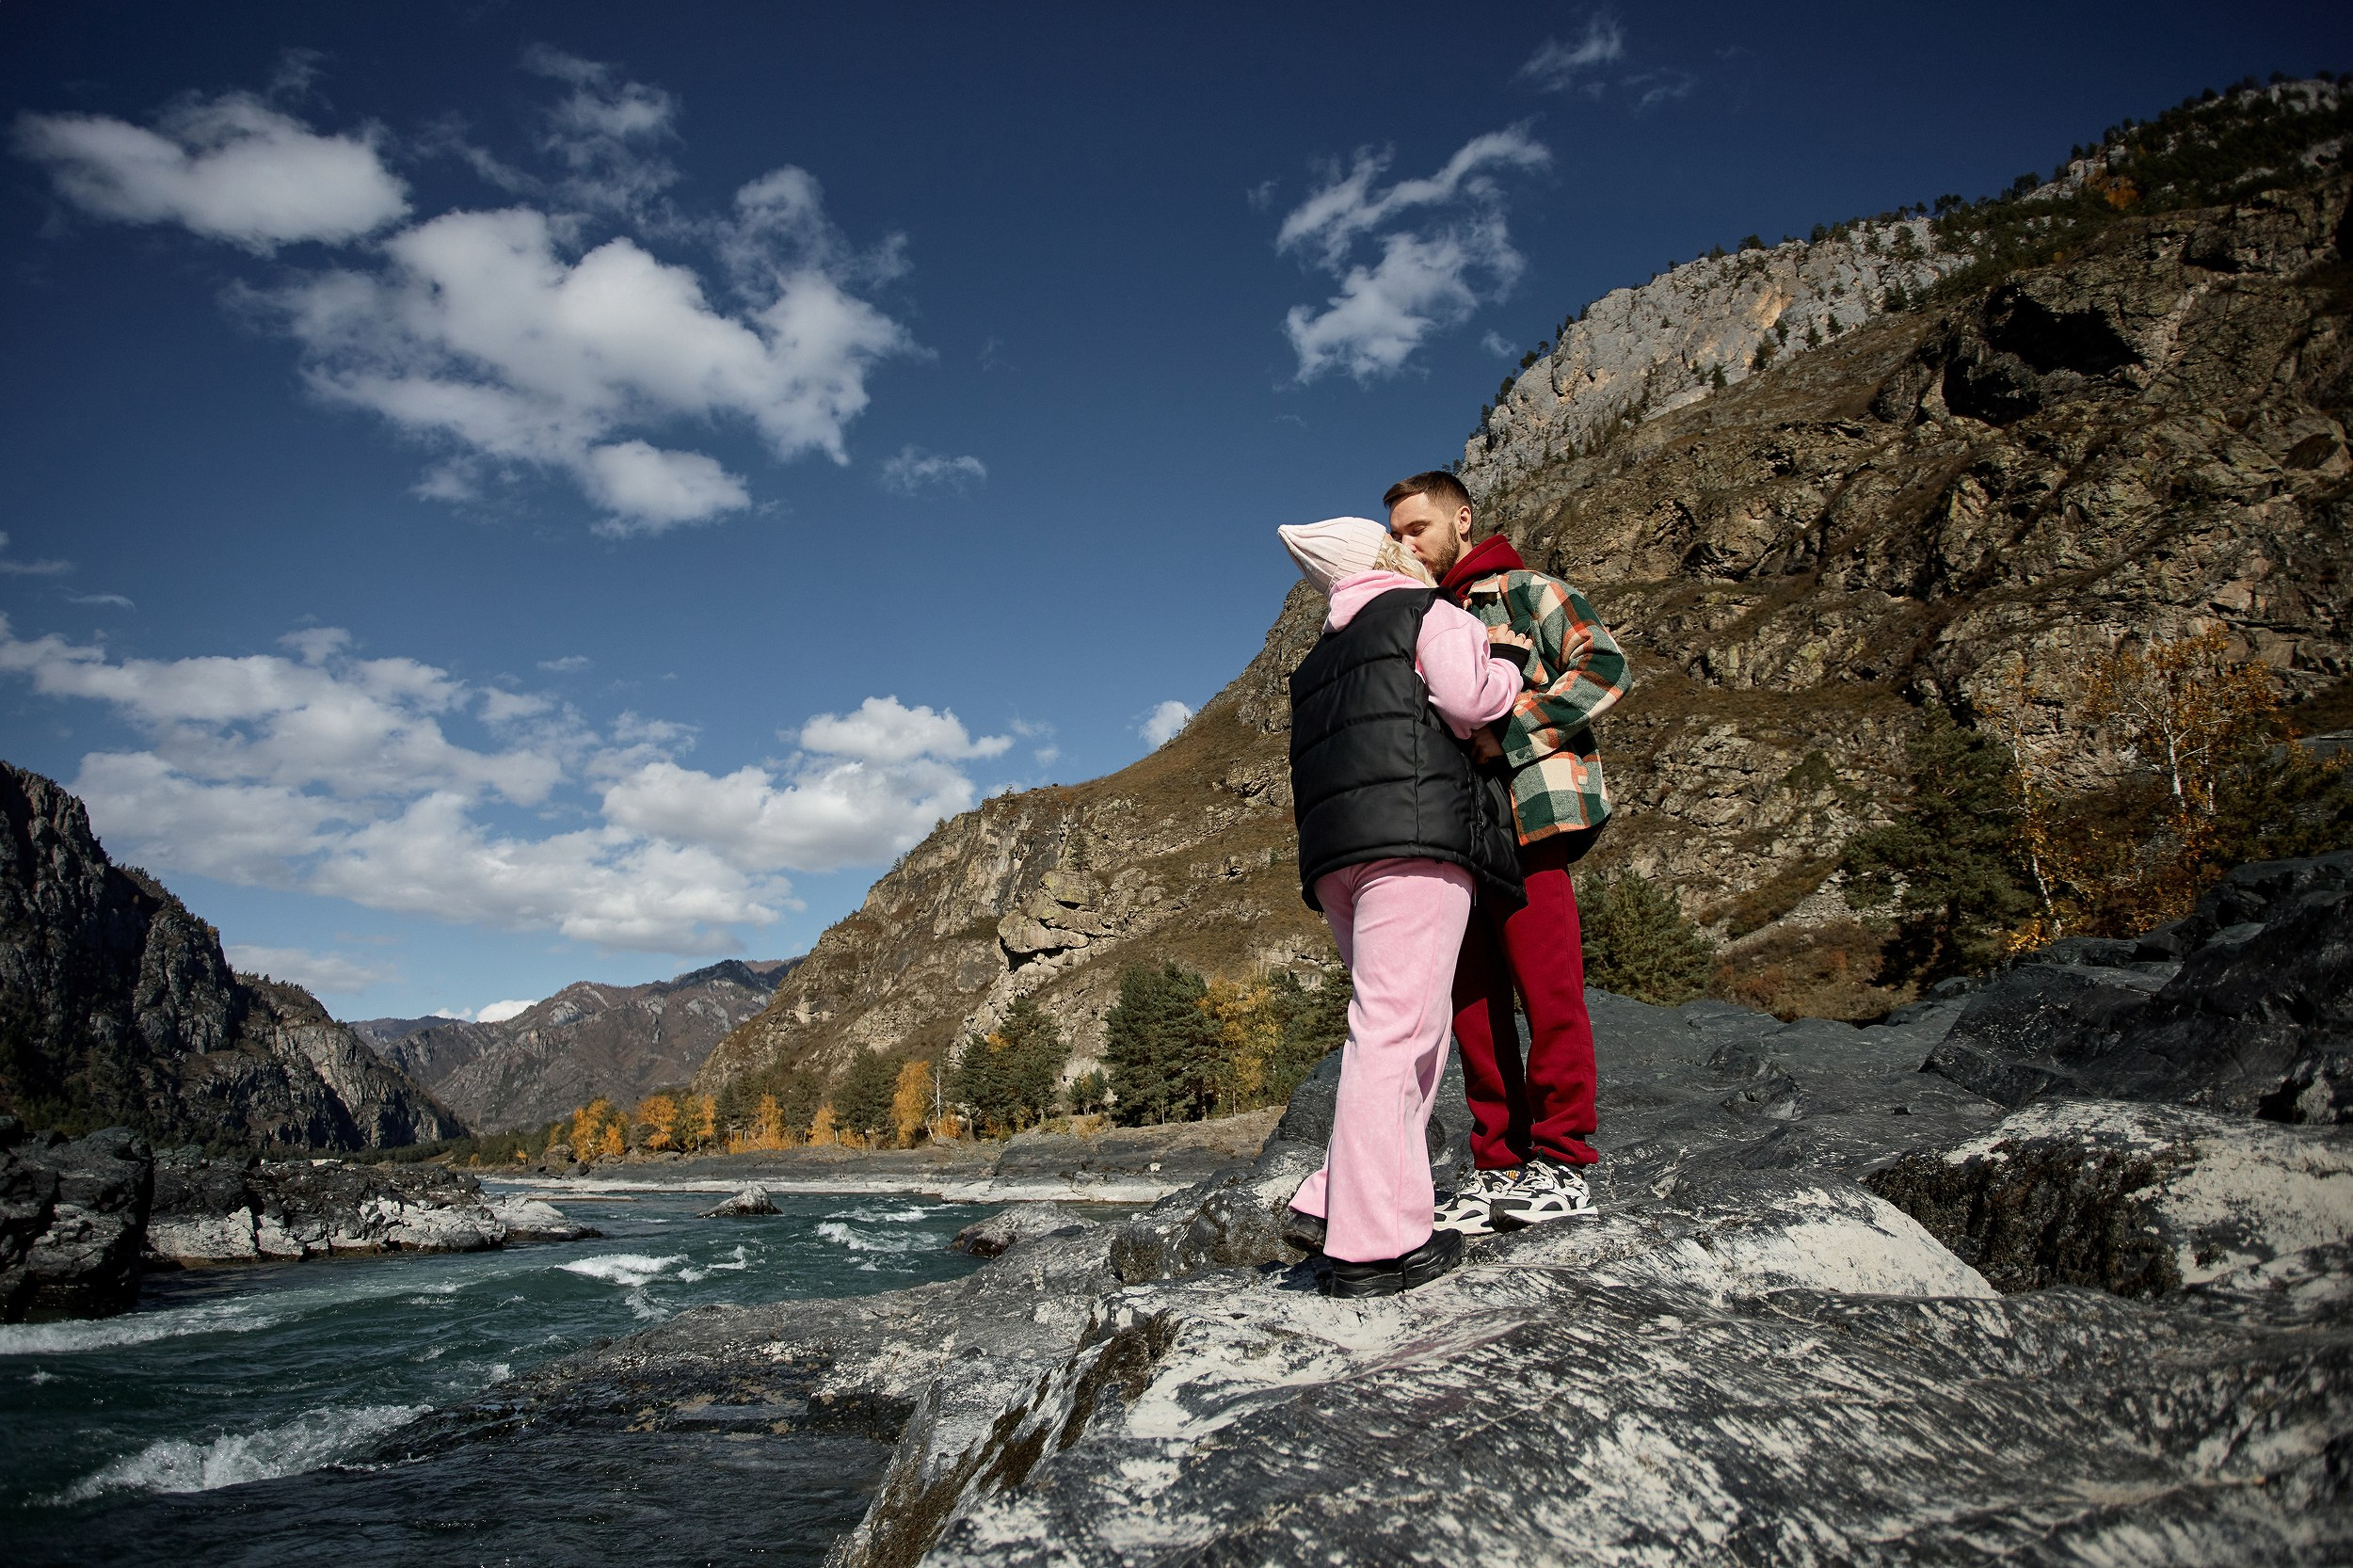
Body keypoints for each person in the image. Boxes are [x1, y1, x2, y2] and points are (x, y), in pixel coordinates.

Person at [1276, 517, 1528, 1299]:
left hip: (1336, 861)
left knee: (1393, 1028)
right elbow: (1467, 699)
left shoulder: (1318, 659)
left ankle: (1333, 1200)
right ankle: (1373, 1248)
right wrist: (1510, 669)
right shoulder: (1430, 614)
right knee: (1400, 1033)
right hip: (1413, 842)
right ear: (1386, 558)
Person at [1385, 471, 1632, 1234]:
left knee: (1547, 989)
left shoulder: (1528, 593)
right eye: (1394, 534)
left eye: (1416, 528)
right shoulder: (1417, 617)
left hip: (1530, 818)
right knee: (1472, 1003)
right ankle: (1499, 1166)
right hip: (1455, 835)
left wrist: (1512, 728)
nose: (1404, 544)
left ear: (1462, 520)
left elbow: (1605, 667)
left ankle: (1565, 1164)